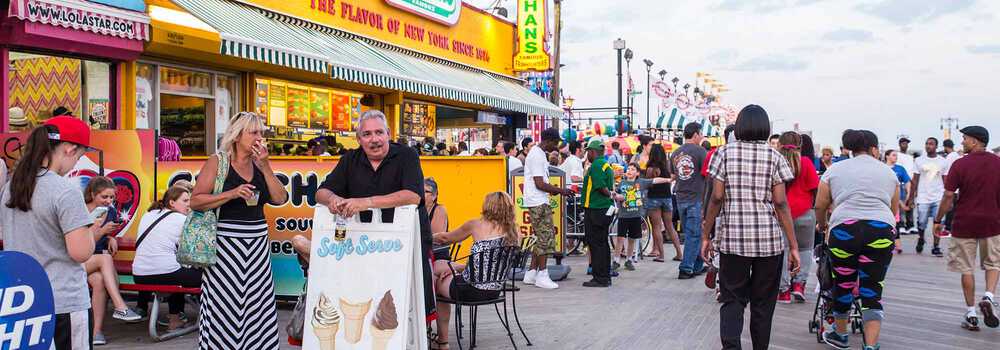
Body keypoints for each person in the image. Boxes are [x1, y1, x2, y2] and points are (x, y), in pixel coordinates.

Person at [312, 110, 438, 325]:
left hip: (406, 246)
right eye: (367, 134)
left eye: (379, 132)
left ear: (388, 133)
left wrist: (366, 202)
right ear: (359, 139)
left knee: (408, 307)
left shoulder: (407, 155)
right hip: (364, 249)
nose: (374, 139)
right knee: (367, 304)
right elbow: (320, 193)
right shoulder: (350, 159)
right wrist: (333, 199)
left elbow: (413, 196)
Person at [1, 116, 107, 349]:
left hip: (22, 301)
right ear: (69, 149)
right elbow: (80, 253)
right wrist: (92, 227)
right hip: (63, 301)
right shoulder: (65, 191)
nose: (76, 163)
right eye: (79, 157)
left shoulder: (12, 187)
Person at [701, 105, 799, 350]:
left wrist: (706, 235)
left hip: (733, 240)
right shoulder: (774, 156)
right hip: (769, 243)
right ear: (766, 128)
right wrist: (794, 246)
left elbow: (716, 197)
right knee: (763, 305)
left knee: (732, 300)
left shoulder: (723, 153)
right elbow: (780, 202)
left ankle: (732, 347)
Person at [190, 111, 288, 349]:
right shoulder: (218, 162)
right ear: (237, 135)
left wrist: (265, 166)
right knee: (223, 302)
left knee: (257, 303)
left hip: (256, 245)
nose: (259, 138)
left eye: (261, 133)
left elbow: (280, 198)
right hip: (225, 245)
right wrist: (232, 193)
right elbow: (196, 201)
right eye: (254, 132)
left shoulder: (260, 164)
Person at [815, 129, 898, 350]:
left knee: (843, 283)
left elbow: (820, 204)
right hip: (881, 230)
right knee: (873, 288)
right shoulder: (888, 172)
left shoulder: (835, 169)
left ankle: (841, 335)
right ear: (873, 148)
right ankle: (870, 345)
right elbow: (894, 209)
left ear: (850, 148)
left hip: (844, 231)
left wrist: (823, 224)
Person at [431, 192, 520, 349]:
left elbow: (445, 238)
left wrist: (428, 236)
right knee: (439, 265)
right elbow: (491, 262)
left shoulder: (476, 225)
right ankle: (440, 339)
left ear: (487, 206)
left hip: (470, 289)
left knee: (434, 280)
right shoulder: (515, 232)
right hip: (495, 290)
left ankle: (442, 341)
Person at [932, 126, 1000, 331]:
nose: (962, 142)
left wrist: (938, 220)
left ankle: (971, 313)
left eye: (965, 139)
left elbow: (948, 196)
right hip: (993, 221)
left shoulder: (960, 164)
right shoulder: (998, 163)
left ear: (975, 141)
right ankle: (988, 296)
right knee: (993, 262)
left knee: (966, 268)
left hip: (964, 222)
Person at [133, 182, 201, 331]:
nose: (189, 204)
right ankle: (180, 318)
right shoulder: (181, 219)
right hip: (165, 274)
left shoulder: (149, 214)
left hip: (139, 276)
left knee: (175, 267)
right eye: (185, 200)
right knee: (198, 274)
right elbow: (195, 248)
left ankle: (175, 319)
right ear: (171, 202)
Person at [82, 177, 142, 345]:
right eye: (104, 197)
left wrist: (109, 237)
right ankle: (120, 306)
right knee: (106, 258)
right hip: (76, 261)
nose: (109, 201)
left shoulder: (110, 211)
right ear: (93, 194)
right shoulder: (81, 211)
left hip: (94, 264)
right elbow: (80, 243)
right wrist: (102, 232)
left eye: (111, 198)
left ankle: (96, 333)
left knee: (100, 281)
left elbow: (103, 236)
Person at [521, 128, 574, 289]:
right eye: (556, 142)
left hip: (537, 200)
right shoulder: (537, 155)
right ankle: (542, 275)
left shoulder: (538, 154)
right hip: (537, 201)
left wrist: (554, 191)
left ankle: (531, 273)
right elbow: (539, 183)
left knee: (542, 237)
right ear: (549, 140)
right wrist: (561, 191)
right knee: (545, 237)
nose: (557, 146)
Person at [775, 132, 820, 304]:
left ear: (780, 144)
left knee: (784, 251)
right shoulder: (806, 162)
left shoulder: (777, 162)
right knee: (805, 249)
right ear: (799, 145)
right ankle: (799, 285)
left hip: (781, 214)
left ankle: (784, 291)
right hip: (805, 214)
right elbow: (815, 189)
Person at [613, 163, 672, 271]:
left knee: (631, 239)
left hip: (635, 216)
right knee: (620, 239)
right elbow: (616, 195)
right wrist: (616, 196)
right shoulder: (621, 183)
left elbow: (655, 180)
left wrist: (668, 180)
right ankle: (616, 260)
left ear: (637, 173)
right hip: (623, 216)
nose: (630, 171)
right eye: (628, 169)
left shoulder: (641, 182)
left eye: (632, 169)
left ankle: (629, 260)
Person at [671, 122, 708, 279]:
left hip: (680, 197)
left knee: (692, 233)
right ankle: (686, 268)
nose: (702, 137)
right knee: (694, 234)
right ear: (695, 134)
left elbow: (673, 175)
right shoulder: (701, 152)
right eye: (701, 134)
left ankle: (697, 265)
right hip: (696, 198)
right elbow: (708, 176)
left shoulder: (675, 153)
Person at [582, 140, 620, 287]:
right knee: (602, 243)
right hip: (603, 209)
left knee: (596, 243)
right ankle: (604, 275)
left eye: (588, 152)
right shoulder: (605, 164)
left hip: (596, 209)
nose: (587, 155)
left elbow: (600, 186)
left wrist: (609, 195)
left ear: (592, 152)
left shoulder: (596, 165)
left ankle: (600, 278)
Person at [908, 137, 949, 256]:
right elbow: (914, 180)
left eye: (931, 144)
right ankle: (921, 238)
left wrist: (948, 199)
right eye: (926, 144)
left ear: (936, 146)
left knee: (939, 223)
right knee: (921, 222)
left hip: (938, 197)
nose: (928, 146)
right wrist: (911, 198)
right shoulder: (919, 160)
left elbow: (946, 181)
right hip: (923, 197)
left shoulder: (943, 161)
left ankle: (936, 246)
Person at [645, 143, 681, 263]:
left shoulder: (651, 168)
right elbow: (673, 178)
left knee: (656, 226)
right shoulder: (667, 167)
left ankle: (661, 255)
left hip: (654, 199)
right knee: (670, 226)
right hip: (667, 198)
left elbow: (648, 183)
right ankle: (679, 253)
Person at [885, 149, 912, 252]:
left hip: (896, 199)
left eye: (896, 155)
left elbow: (907, 181)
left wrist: (908, 193)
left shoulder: (900, 169)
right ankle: (889, 243)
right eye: (893, 155)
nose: (895, 157)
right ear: (887, 156)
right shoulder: (882, 168)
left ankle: (897, 244)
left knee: (896, 221)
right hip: (884, 199)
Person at [425, 178, 451, 261]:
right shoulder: (416, 210)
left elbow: (437, 238)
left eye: (425, 191)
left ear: (434, 196)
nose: (421, 193)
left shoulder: (439, 210)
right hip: (421, 254)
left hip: (437, 257)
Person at [896, 137, 917, 234]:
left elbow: (912, 170)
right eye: (903, 143)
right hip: (901, 182)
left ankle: (910, 225)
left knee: (910, 203)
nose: (905, 145)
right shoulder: (897, 155)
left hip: (910, 182)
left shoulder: (910, 157)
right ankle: (901, 225)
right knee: (901, 205)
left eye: (907, 143)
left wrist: (914, 185)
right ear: (900, 144)